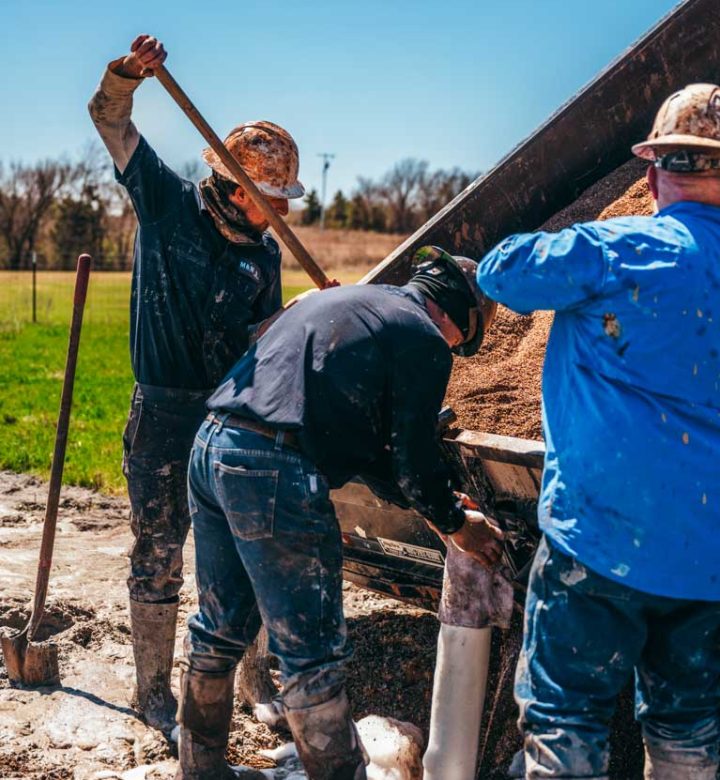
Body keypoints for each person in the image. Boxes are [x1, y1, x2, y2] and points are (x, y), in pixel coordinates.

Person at [175, 246, 503, 780]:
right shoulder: (423, 339)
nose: (454, 350)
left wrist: (424, 503)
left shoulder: (357, 303)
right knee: (311, 651)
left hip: (213, 446)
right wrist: (455, 523)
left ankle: (201, 768)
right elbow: (412, 459)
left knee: (218, 625)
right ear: (461, 318)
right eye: (461, 342)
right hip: (274, 466)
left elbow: (372, 449)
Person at [476, 83, 720, 779]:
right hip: (709, 560)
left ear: (650, 175)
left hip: (601, 542)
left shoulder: (621, 247)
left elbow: (502, 273)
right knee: (689, 730)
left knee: (565, 723)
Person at [88, 34, 305, 733]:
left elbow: (261, 340)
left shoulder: (265, 253)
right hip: (162, 415)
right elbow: (110, 119)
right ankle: (152, 691)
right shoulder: (168, 203)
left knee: (248, 550)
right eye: (271, 198)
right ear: (238, 188)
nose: (281, 212)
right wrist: (128, 75)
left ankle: (253, 676)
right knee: (158, 551)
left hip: (230, 419)